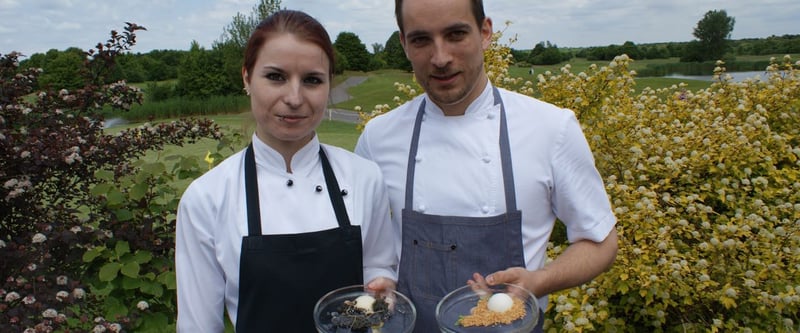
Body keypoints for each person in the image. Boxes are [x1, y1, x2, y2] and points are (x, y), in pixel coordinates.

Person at [354, 0, 619, 331]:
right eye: (421, 39)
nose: (440, 58)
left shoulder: (552, 128)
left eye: (456, 34)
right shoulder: (378, 137)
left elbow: (600, 242)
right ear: (404, 44)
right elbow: (368, 247)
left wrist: (539, 281)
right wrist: (379, 278)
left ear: (485, 32)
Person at [175, 10, 398, 332]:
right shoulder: (207, 198)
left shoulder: (364, 177)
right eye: (276, 76)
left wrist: (383, 284)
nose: (294, 98)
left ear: (328, 86)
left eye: (312, 80)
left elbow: (378, 264)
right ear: (247, 78)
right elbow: (198, 326)